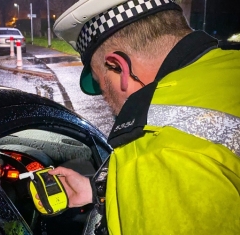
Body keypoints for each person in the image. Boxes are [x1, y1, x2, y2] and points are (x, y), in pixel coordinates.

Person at [48, 0, 240, 234]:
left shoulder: (153, 151)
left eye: (101, 85)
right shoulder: (230, 69)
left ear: (119, 67)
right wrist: (96, 191)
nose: (105, 99)